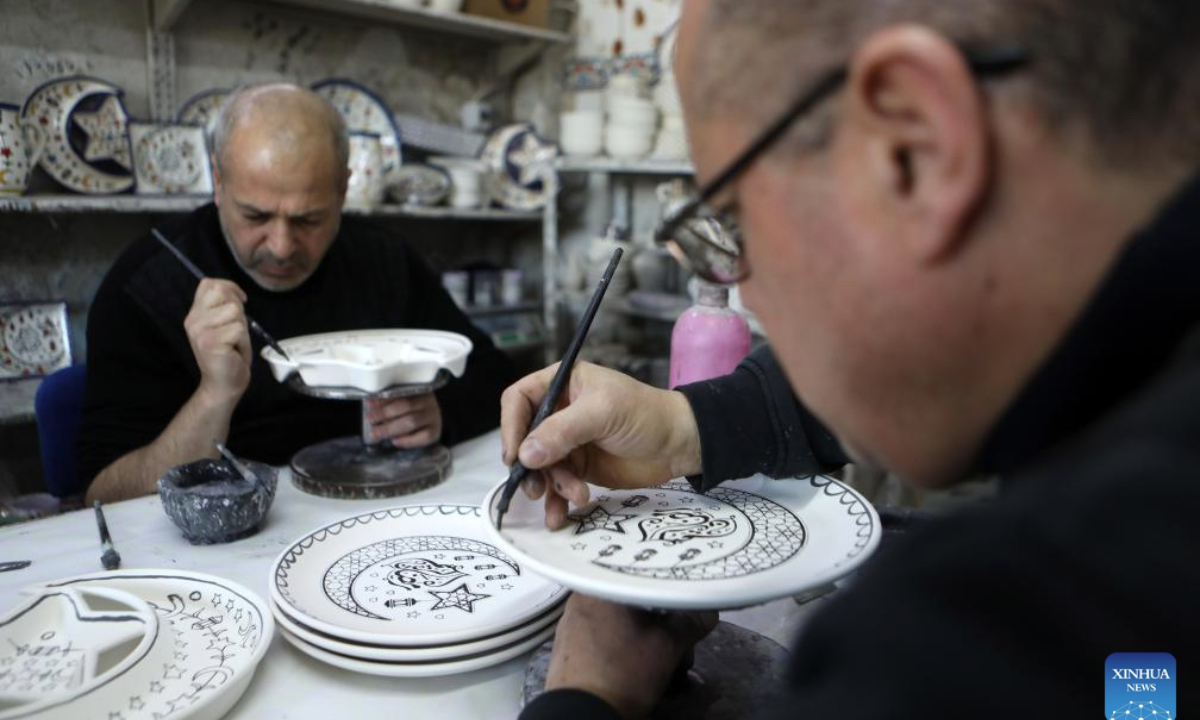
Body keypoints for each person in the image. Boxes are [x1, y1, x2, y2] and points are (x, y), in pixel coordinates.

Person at [501, 0, 1200, 716]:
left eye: (735, 223)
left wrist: (588, 696)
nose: (749, 293)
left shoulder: (1019, 634)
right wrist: (687, 425)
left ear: (916, 147)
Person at [79, 84, 516, 503]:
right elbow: (103, 492)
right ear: (218, 181)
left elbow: (495, 377)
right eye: (255, 216)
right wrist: (214, 394)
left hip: (373, 501)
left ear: (343, 189)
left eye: (309, 220)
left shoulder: (383, 261)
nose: (282, 247)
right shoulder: (146, 284)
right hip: (229, 531)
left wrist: (440, 414)